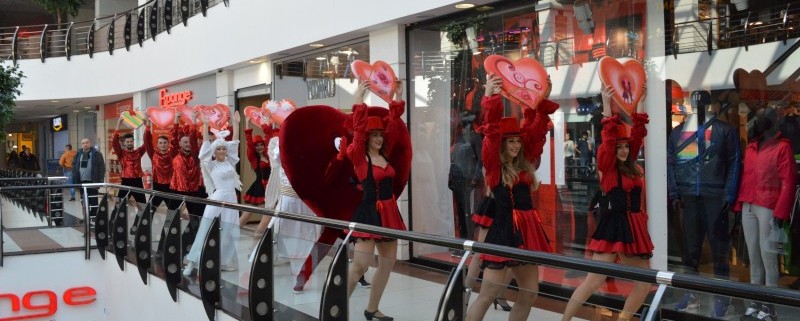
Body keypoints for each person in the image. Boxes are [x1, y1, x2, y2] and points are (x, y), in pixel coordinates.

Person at [465, 74, 556, 321]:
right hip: (503, 232)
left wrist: (541, 98)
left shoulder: (525, 165)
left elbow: (535, 133)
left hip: (528, 233)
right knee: (486, 296)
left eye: (517, 140)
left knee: (529, 294)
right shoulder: (494, 168)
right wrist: (491, 97)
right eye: (510, 142)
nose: (515, 145)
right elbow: (492, 134)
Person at [561, 85, 652, 321]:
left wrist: (640, 102)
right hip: (614, 226)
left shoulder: (632, 165)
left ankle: (623, 319)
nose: (623, 150)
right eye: (619, 147)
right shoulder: (608, 168)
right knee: (594, 280)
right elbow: (610, 141)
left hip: (635, 226)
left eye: (626, 147)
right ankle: (564, 320)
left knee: (643, 284)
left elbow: (639, 134)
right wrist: (607, 109)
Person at [667, 93, 741, 317]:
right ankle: (691, 293)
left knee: (719, 250)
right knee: (691, 251)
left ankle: (722, 297)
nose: (699, 107)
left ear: (711, 105)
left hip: (714, 195)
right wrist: (674, 192)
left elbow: (734, 162)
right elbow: (671, 162)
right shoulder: (679, 133)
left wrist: (728, 195)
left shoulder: (725, 131)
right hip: (690, 195)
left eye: (703, 104)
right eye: (696, 103)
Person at [343, 80, 410, 321]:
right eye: (375, 136)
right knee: (360, 265)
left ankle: (372, 308)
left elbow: (394, 126)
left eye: (381, 135)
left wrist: (396, 98)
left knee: (387, 264)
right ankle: (336, 306)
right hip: (369, 212)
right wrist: (359, 100)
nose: (380, 139)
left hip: (390, 212)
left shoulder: (385, 156)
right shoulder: (360, 159)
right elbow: (358, 132)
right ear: (368, 138)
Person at [734, 106, 797, 321]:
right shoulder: (752, 147)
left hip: (769, 205)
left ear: (773, 122)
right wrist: (739, 204)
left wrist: (781, 212)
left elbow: (789, 181)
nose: (758, 121)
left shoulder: (782, 148)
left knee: (768, 257)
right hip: (749, 204)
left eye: (763, 118)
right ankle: (755, 303)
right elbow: (745, 177)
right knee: (754, 256)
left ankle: (770, 307)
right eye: (758, 117)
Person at [183, 111, 243, 276]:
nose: (223, 150)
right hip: (217, 197)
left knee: (231, 230)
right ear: (214, 151)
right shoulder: (210, 165)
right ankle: (192, 262)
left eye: (224, 148)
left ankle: (225, 261)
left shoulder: (231, 161)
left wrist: (237, 124)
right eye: (219, 148)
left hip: (231, 198)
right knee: (205, 228)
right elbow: (204, 149)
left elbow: (235, 143)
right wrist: (206, 125)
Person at [166, 111, 205, 258]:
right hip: (176, 189)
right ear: (180, 144)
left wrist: (194, 123)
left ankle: (188, 249)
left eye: (189, 142)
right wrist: (176, 120)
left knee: (195, 222)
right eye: (185, 142)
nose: (188, 144)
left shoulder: (196, 155)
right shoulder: (174, 154)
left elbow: (195, 141)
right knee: (170, 221)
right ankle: (166, 248)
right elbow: (174, 138)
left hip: (193, 191)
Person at [238, 120, 273, 226]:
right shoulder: (254, 159)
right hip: (259, 187)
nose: (259, 147)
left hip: (270, 186)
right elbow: (249, 143)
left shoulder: (269, 156)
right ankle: (233, 230)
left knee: (269, 214)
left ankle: (263, 235)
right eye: (256, 145)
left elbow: (269, 138)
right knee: (248, 213)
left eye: (261, 145)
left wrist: (267, 123)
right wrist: (248, 125)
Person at [143, 115, 179, 210]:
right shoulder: (153, 154)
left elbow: (175, 139)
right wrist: (147, 125)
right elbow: (147, 141)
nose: (163, 145)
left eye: (165, 143)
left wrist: (176, 120)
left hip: (170, 187)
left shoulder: (172, 154)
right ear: (157, 144)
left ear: (168, 144)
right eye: (160, 143)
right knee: (150, 210)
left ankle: (172, 225)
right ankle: (147, 224)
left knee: (173, 211)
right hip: (157, 186)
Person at [113, 118, 147, 212]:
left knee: (143, 205)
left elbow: (147, 144)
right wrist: (119, 124)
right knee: (119, 206)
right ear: (124, 143)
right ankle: (114, 222)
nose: (129, 143)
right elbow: (115, 142)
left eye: (131, 141)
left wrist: (146, 126)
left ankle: (141, 223)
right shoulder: (121, 153)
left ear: (133, 142)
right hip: (126, 181)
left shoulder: (138, 152)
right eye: (127, 142)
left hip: (137, 181)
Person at [72, 138, 105, 216]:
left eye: (87, 142)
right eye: (83, 143)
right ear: (81, 145)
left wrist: (100, 180)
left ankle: (93, 215)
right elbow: (74, 166)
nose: (85, 144)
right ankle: (86, 216)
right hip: (81, 182)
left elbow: (101, 167)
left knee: (93, 200)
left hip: (93, 181)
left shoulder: (97, 154)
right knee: (83, 200)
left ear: (90, 143)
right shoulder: (78, 154)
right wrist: (75, 178)